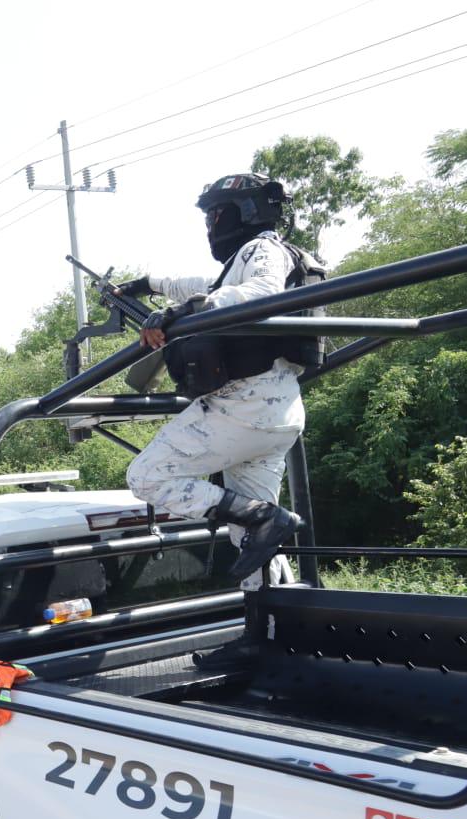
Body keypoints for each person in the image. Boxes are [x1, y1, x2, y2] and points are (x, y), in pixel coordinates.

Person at [119, 174, 323, 601]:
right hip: (276, 412)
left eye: (214, 214)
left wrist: (185, 311)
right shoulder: (251, 258)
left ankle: (266, 517)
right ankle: (269, 627)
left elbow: (262, 290)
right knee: (250, 537)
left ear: (243, 211)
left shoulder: (261, 250)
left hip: (243, 407)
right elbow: (203, 285)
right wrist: (148, 284)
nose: (210, 224)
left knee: (147, 476)